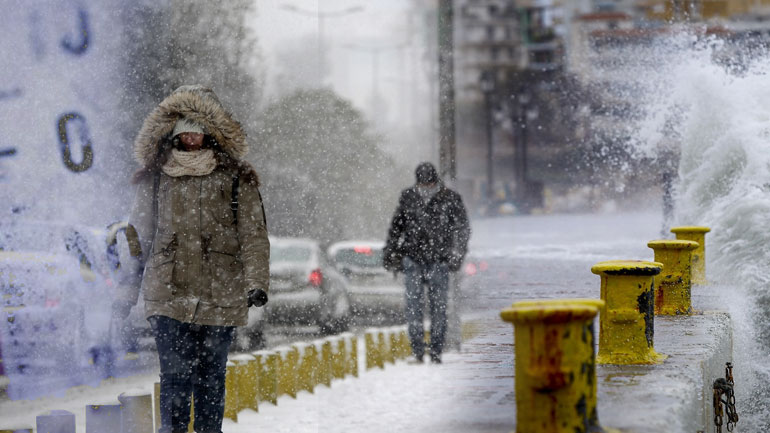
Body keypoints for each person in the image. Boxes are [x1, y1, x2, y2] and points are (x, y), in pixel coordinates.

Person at [112, 85, 269, 433]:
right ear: (172, 133)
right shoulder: (154, 179)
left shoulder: (235, 178)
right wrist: (126, 291)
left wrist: (256, 282)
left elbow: (253, 235)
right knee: (175, 377)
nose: (192, 138)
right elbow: (138, 240)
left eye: (197, 131)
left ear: (210, 133)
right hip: (168, 293)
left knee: (211, 377)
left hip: (220, 293)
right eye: (184, 130)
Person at [383, 162, 470, 364]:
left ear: (435, 181)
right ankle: (418, 351)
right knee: (415, 309)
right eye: (423, 184)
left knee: (437, 309)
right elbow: (397, 227)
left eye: (429, 184)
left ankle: (436, 351)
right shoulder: (409, 197)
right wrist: (391, 252)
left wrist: (457, 254)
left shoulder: (450, 199)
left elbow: (462, 229)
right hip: (413, 259)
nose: (426, 188)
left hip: (439, 261)